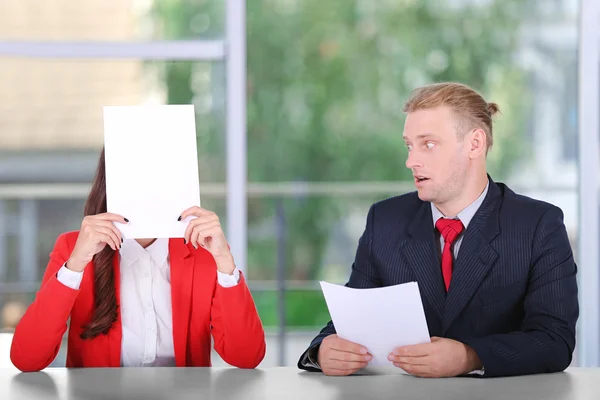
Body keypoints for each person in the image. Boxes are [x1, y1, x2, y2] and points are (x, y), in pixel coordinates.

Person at [297, 82, 579, 378]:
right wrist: (323, 349)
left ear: (474, 144)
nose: (410, 161)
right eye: (409, 145)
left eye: (428, 144)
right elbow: (352, 318)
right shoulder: (385, 220)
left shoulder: (537, 225)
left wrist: (470, 356)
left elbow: (555, 341)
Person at [10, 148, 266, 372]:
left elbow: (246, 356)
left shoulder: (204, 252)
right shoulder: (73, 249)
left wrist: (224, 260)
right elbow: (27, 358)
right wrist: (75, 265)